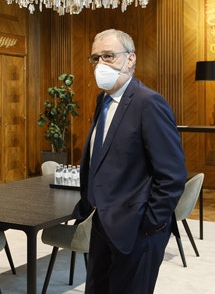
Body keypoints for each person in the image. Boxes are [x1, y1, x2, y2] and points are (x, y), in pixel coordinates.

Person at [72, 29, 186, 294]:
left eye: (109, 56)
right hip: (102, 222)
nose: (100, 64)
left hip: (137, 229)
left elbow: (172, 175)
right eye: (95, 58)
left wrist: (149, 223)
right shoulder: (103, 100)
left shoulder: (149, 102)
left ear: (130, 58)